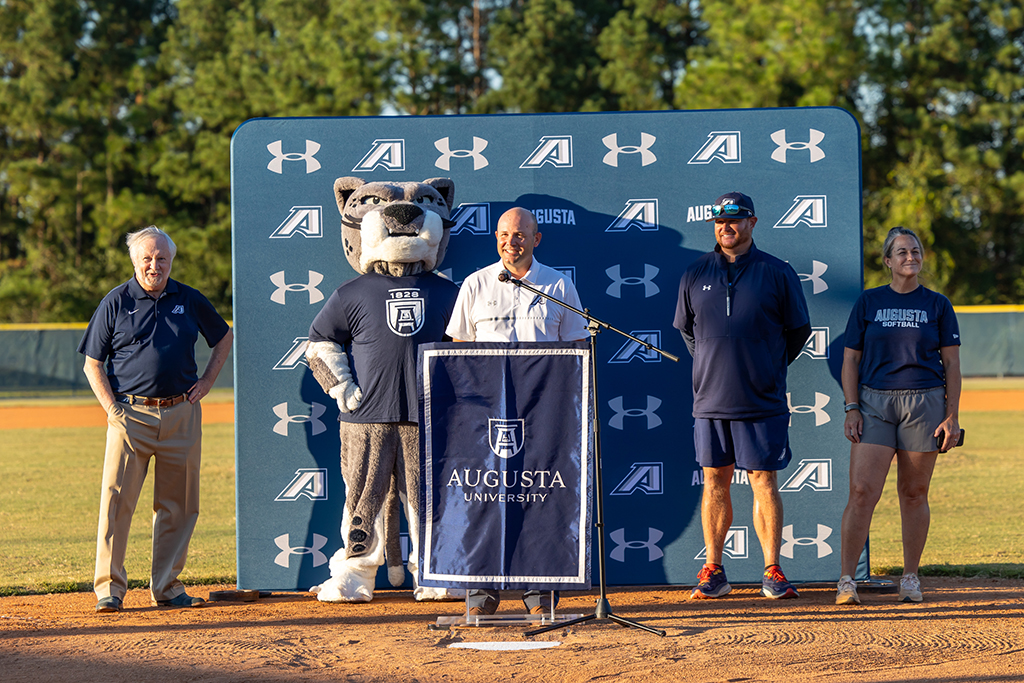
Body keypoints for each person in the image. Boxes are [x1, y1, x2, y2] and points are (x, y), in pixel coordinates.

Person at [79, 226, 233, 613]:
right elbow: (92, 364)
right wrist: (113, 410)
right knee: (117, 502)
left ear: (171, 260)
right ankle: (109, 589)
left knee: (179, 505)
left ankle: (166, 587)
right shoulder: (115, 302)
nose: (154, 265)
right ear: (134, 261)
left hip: (181, 412)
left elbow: (223, 337)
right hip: (130, 415)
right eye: (147, 258)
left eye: (161, 258)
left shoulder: (189, 298)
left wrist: (207, 381)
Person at [446, 206, 588, 615]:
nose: (513, 242)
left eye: (521, 235)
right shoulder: (475, 285)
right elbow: (459, 353)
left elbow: (576, 353)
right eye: (505, 235)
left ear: (537, 239)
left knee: (541, 498)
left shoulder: (559, 286)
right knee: (483, 498)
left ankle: (538, 591)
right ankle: (482, 592)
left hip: (546, 416)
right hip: (485, 418)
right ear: (496, 239)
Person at [673, 191, 811, 600]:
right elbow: (687, 332)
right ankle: (714, 571)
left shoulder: (777, 272)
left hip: (761, 399)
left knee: (763, 480)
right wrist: (715, 368)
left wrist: (764, 368)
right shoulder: (695, 272)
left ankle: (772, 571)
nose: (726, 227)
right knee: (715, 480)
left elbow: (797, 332)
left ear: (752, 222)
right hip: (710, 400)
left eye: (734, 219)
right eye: (719, 221)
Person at [836, 227, 961, 605]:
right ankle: (846, 581)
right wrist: (852, 406)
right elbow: (850, 360)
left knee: (914, 492)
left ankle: (910, 577)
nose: (911, 256)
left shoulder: (938, 304)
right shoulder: (869, 302)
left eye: (916, 250)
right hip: (874, 403)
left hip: (924, 404)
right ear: (888, 260)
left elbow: (952, 364)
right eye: (902, 252)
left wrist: (951, 415)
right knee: (861, 492)